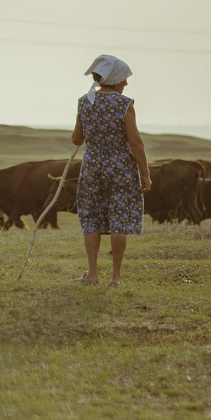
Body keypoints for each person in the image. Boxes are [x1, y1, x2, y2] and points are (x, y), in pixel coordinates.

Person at [71, 55, 152, 286]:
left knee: (91, 218)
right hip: (121, 168)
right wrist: (145, 174)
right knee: (120, 218)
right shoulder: (124, 104)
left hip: (92, 167)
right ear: (115, 78)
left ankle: (92, 274)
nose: (126, 83)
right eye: (124, 78)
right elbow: (135, 142)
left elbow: (77, 139)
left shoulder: (84, 102)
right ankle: (115, 277)